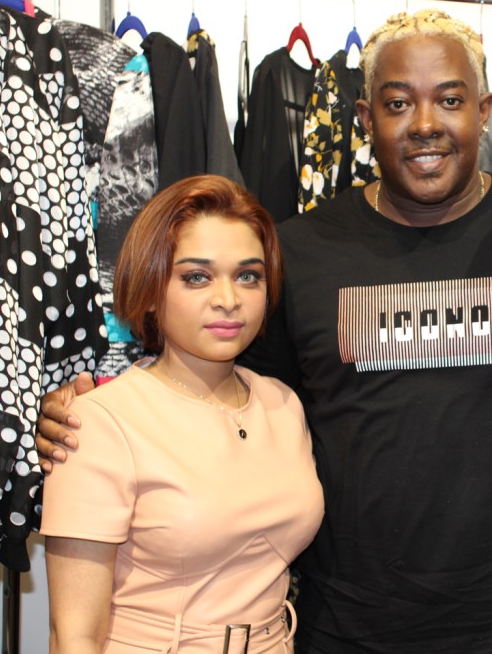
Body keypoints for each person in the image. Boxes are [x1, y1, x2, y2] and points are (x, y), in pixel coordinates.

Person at [39, 11, 492, 653]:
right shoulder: (297, 255)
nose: (425, 123)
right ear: (365, 119)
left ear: (483, 111)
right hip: (344, 630)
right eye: (397, 103)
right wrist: (97, 414)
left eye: (450, 100)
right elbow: (219, 393)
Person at [40, 175, 324, 653]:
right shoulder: (101, 422)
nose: (228, 299)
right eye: (196, 277)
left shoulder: (282, 404)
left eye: (248, 276)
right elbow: (74, 635)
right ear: (151, 290)